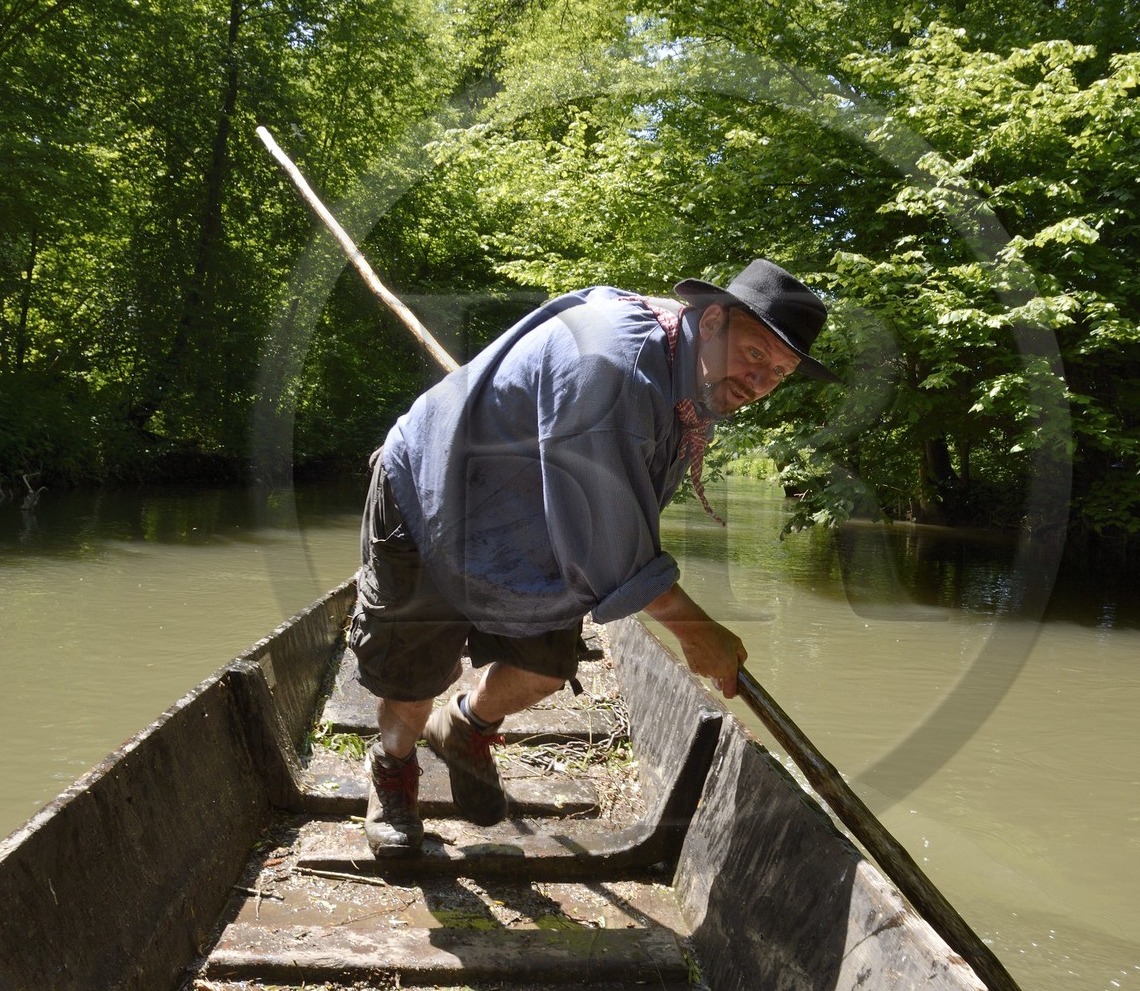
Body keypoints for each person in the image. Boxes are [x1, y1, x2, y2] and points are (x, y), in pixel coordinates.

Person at [349, 257, 837, 857]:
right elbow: (612, 546)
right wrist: (695, 630)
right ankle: (393, 768)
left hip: (533, 514)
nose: (761, 380)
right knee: (412, 674)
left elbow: (616, 511)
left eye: (780, 372)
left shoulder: (685, 376)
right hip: (433, 491)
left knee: (545, 670)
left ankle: (465, 725)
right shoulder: (615, 366)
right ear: (711, 320)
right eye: (756, 354)